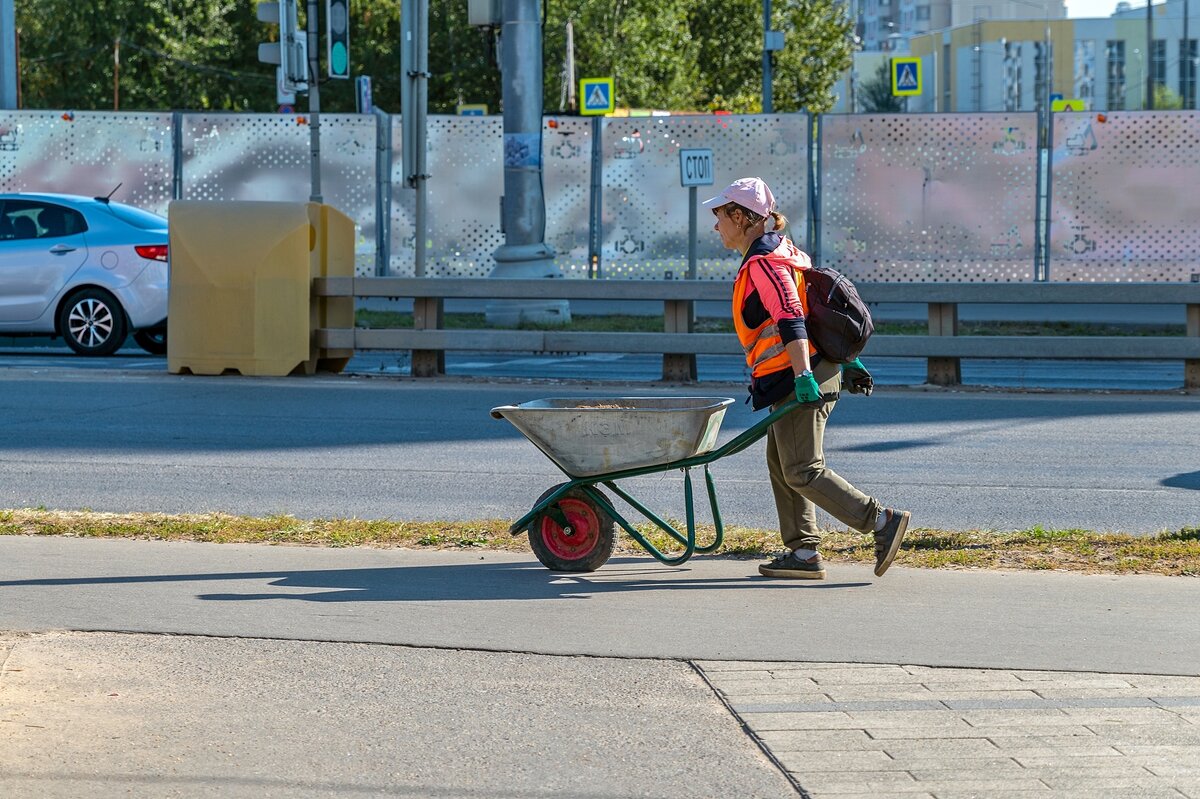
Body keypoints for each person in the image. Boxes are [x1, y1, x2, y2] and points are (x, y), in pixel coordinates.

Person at [702, 177, 910, 580]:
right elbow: (818, 309)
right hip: (804, 372)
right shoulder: (786, 252)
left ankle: (881, 521)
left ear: (743, 218)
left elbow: (793, 319)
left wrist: (803, 376)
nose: (716, 227)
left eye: (721, 216)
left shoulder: (765, 263)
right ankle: (802, 553)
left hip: (801, 377)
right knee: (783, 464)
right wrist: (844, 362)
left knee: (802, 469)